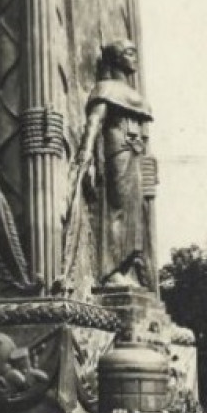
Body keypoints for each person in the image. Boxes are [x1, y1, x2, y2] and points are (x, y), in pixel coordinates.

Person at [67, 39, 153, 287]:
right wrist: (86, 152)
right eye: (129, 53)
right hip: (118, 151)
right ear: (116, 59)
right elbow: (95, 120)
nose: (134, 58)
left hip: (134, 153)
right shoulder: (106, 88)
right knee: (117, 209)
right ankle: (110, 271)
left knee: (134, 214)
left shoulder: (133, 95)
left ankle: (126, 268)